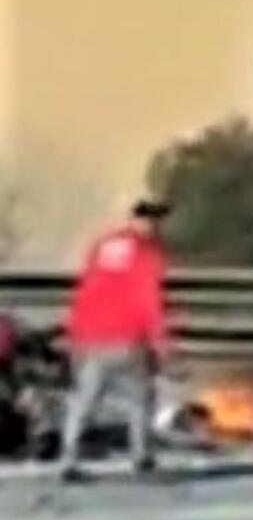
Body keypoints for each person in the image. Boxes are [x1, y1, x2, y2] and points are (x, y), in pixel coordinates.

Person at [59, 200, 171, 482]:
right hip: (128, 338)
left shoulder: (102, 246)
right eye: (154, 221)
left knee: (84, 401)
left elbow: (85, 289)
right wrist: (161, 342)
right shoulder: (148, 253)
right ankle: (141, 456)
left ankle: (69, 458)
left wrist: (73, 334)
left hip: (90, 336)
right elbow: (150, 299)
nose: (155, 227)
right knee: (140, 398)